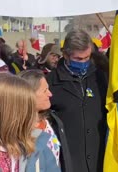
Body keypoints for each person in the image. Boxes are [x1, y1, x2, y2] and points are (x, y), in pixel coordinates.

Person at [46, 29, 108, 172]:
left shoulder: (100, 78)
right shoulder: (51, 83)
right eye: (79, 59)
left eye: (87, 58)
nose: (84, 62)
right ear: (66, 55)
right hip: (69, 160)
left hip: (98, 159)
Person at [18, 69, 73, 172]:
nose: (50, 94)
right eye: (45, 90)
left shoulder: (52, 121)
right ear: (29, 95)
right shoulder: (18, 131)